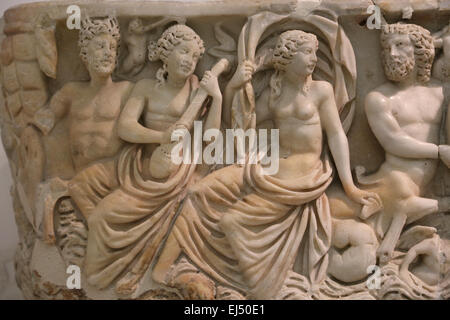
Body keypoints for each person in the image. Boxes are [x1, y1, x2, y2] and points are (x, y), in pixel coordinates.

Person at [151, 30, 380, 299]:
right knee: (198, 192)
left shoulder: (321, 90)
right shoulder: (275, 92)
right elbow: (242, 124)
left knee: (233, 221)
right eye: (306, 52)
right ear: (287, 57)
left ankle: (261, 287)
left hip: (300, 177)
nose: (313, 59)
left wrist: (350, 187)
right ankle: (161, 271)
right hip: (266, 166)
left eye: (315, 52)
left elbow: (337, 135)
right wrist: (234, 86)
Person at [82, 24, 223, 294]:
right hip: (141, 173)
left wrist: (216, 96)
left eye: (194, 57)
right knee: (101, 217)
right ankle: (94, 284)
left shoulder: (197, 90)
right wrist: (161, 136)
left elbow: (211, 137)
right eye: (183, 52)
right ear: (165, 54)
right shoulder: (146, 87)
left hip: (181, 172)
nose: (189, 61)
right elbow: (125, 127)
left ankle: (147, 274)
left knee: (188, 212)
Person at [41, 16, 133, 221]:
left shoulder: (126, 91)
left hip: (113, 179)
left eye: (112, 47)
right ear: (84, 53)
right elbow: (42, 124)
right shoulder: (71, 93)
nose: (107, 53)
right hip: (77, 178)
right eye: (100, 46)